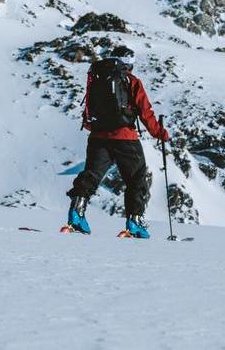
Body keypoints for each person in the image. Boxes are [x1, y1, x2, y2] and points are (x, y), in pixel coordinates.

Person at [63, 45, 170, 238]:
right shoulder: (131, 81)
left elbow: (89, 109)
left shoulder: (97, 79)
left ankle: (76, 213)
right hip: (125, 138)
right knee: (137, 178)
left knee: (91, 175)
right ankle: (135, 222)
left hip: (97, 137)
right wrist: (160, 133)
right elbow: (145, 113)